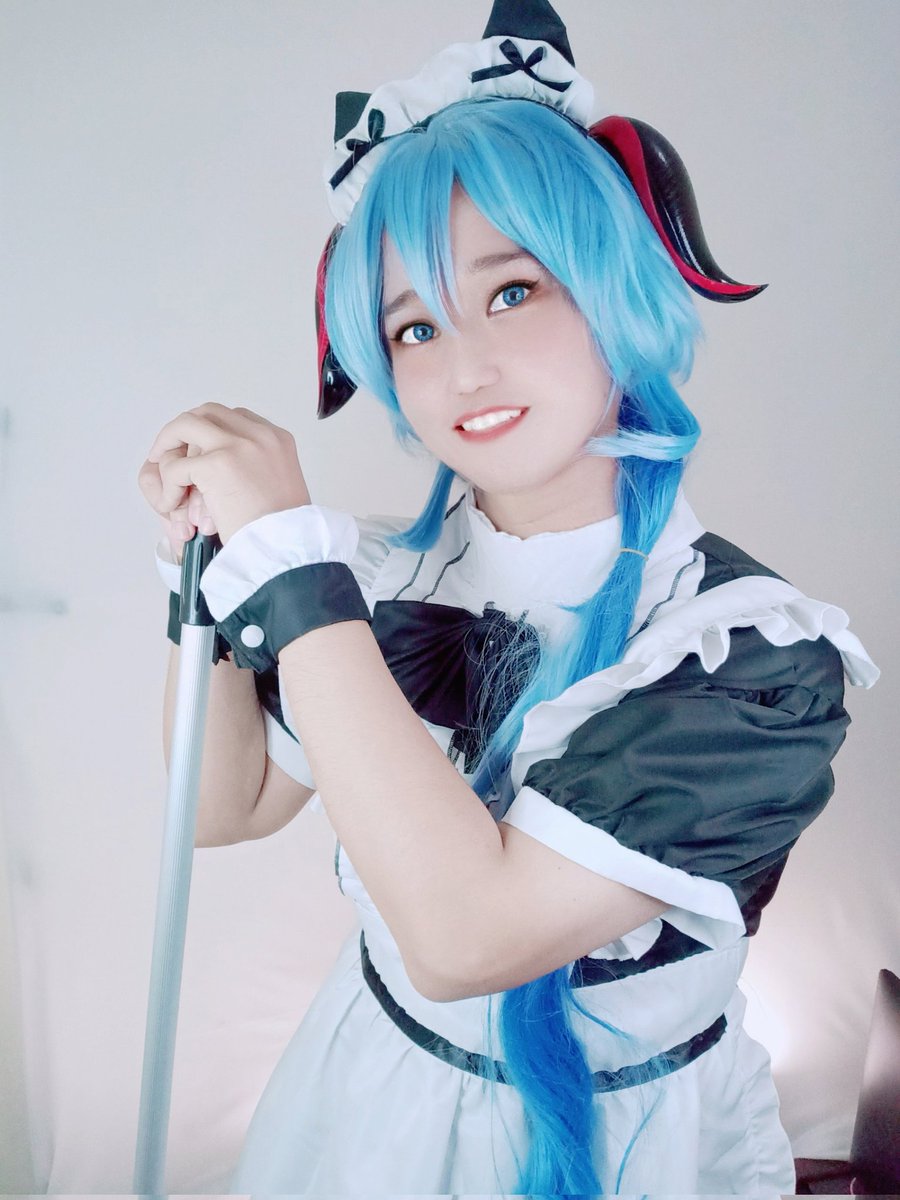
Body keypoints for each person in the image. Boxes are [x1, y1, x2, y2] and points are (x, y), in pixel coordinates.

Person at [138, 1, 878, 1194]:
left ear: (614, 287)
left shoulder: (748, 656)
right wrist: (220, 568)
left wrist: (292, 576)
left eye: (515, 292)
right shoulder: (377, 579)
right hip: (367, 1099)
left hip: (637, 1144)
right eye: (414, 326)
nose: (463, 368)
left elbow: (466, 937)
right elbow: (223, 807)